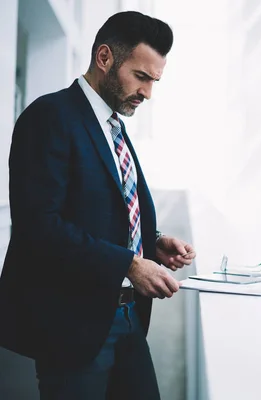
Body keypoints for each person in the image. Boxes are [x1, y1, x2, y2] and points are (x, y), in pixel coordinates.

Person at [0, 11, 195, 400]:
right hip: (73, 325)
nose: (148, 93)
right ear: (105, 58)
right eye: (141, 77)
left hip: (126, 316)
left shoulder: (113, 125)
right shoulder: (49, 117)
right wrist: (128, 263)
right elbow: (39, 227)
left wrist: (149, 242)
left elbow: (98, 208)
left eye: (155, 81)